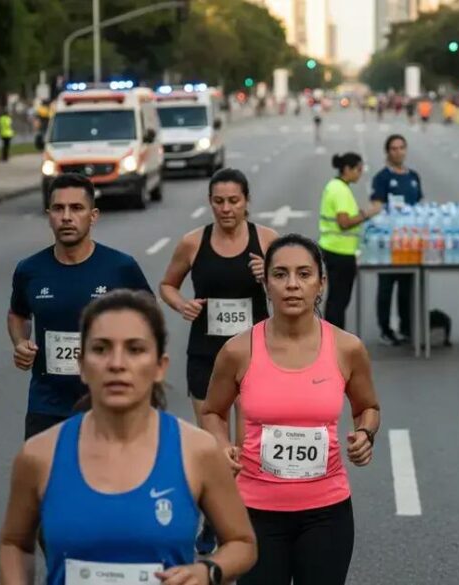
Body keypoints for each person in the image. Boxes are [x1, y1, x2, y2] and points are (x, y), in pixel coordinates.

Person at [0, 290, 258, 585]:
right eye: (101, 349)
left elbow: (242, 543)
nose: (117, 364)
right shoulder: (39, 455)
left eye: (135, 349)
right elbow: (14, 545)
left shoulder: (196, 450)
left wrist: (207, 571)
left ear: (160, 366)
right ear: (81, 365)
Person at [201, 234, 381, 585]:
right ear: (266, 284)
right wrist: (220, 445)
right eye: (280, 275)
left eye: (304, 274)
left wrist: (365, 433)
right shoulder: (239, 350)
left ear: (321, 284)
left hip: (327, 514)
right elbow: (212, 412)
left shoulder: (347, 348)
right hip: (254, 513)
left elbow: (368, 407)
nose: (293, 285)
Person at [159, 167, 277, 554]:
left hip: (252, 357)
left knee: (242, 447)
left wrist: (268, 278)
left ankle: (234, 524)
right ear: (210, 203)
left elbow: (297, 291)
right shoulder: (194, 243)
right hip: (206, 355)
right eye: (219, 201)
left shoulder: (267, 241)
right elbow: (167, 285)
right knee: (214, 446)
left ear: (247, 202)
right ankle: (215, 518)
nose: (226, 209)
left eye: (234, 201)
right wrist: (182, 305)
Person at [9, 173, 153, 440]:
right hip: (47, 406)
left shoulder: (120, 268)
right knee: (48, 481)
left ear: (93, 215)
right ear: (48, 214)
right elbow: (18, 314)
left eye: (76, 208)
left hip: (107, 404)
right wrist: (20, 341)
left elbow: (150, 326)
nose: (66, 216)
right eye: (58, 208)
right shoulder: (30, 270)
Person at [370, 134, 424, 345]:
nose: (398, 151)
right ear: (387, 152)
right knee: (386, 286)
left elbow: (419, 203)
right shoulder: (382, 178)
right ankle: (385, 329)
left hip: (410, 240)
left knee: (407, 287)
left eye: (401, 147)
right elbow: (376, 206)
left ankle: (407, 327)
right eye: (393, 148)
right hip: (389, 241)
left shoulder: (414, 177)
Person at [319, 152, 378, 328]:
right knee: (339, 301)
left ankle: (331, 337)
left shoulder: (335, 186)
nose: (360, 173)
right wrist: (366, 214)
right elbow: (344, 222)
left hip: (333, 248)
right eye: (358, 170)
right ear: (347, 169)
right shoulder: (340, 190)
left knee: (335, 299)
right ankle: (334, 340)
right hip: (340, 252)